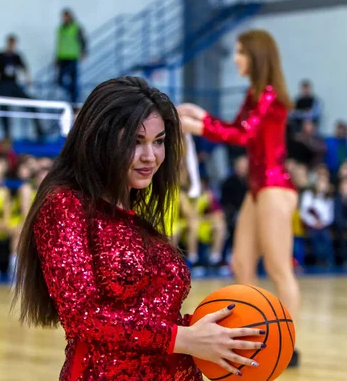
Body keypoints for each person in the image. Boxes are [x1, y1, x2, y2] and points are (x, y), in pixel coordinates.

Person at [13, 77, 265, 379]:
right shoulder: (64, 205)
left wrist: (212, 333)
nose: (151, 156)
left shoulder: (135, 212)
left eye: (158, 141)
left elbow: (155, 316)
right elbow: (84, 317)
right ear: (100, 139)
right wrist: (183, 339)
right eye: (136, 141)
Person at [177, 30, 300, 366]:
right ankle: (258, 334)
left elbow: (242, 134)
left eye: (241, 52)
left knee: (278, 269)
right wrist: (201, 117)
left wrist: (196, 126)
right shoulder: (255, 94)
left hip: (275, 188)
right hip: (259, 189)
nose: (236, 59)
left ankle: (287, 345)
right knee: (241, 263)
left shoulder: (270, 95)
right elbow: (237, 127)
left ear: (257, 56)